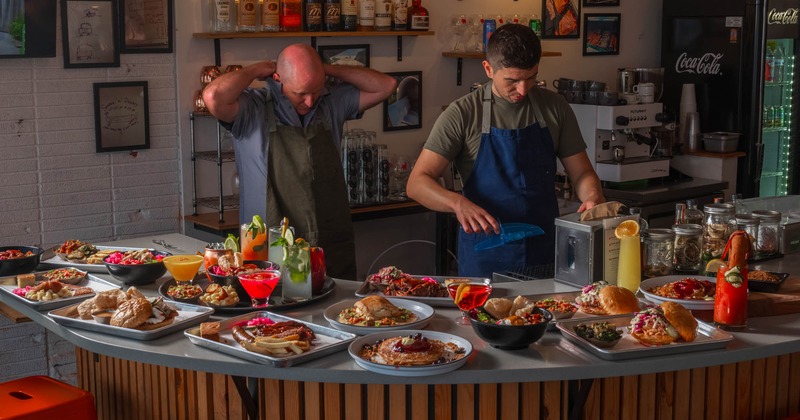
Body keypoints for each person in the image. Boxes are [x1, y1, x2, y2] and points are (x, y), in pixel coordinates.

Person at [407, 23, 604, 278]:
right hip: (487, 256)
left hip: (545, 252)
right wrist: (457, 203)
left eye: (531, 77)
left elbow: (582, 173)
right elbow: (417, 183)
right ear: (488, 69)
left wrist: (592, 197)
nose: (523, 89)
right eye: (512, 80)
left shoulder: (555, 107)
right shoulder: (462, 113)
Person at [203, 44, 397, 280]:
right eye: (300, 93)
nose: (309, 101)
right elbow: (213, 97)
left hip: (327, 244)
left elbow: (386, 86)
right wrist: (255, 70)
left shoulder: (329, 104)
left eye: (316, 91)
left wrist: (324, 69)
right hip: (269, 250)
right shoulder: (252, 110)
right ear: (278, 79)